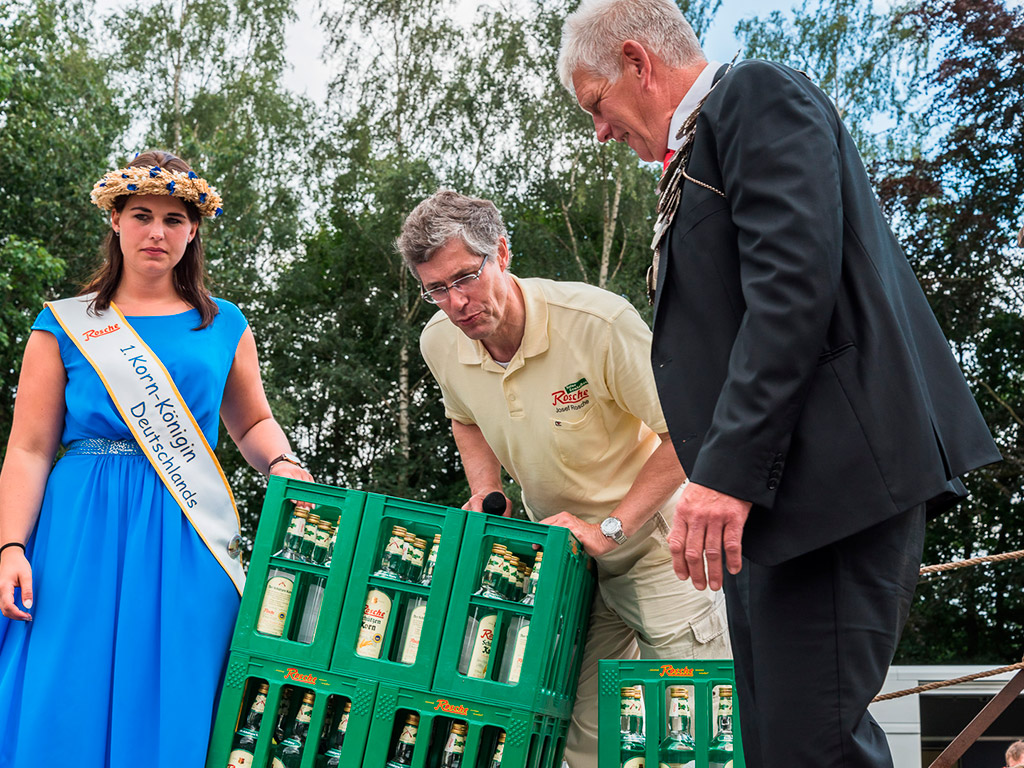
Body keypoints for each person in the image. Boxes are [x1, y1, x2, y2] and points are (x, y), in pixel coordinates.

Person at [558, 1, 1001, 766]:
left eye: (596, 103)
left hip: (833, 490)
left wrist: (725, 473)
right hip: (774, 507)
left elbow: (793, 287)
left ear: (637, 61)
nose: (599, 130)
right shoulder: (698, 152)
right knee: (773, 748)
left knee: (814, 746)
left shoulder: (755, 95)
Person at [0, 150, 312, 767]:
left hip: (186, 522)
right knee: (69, 677)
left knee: (183, 675)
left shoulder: (223, 324)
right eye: (141, 215)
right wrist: (10, 546)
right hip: (80, 523)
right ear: (116, 221)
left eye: (174, 219)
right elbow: (30, 449)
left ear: (193, 230)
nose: (156, 232)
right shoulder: (62, 324)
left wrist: (282, 463)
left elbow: (253, 422)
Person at [397, 189, 730, 767]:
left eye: (466, 277)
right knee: (580, 736)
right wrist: (486, 490)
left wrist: (611, 528)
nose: (457, 303)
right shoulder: (440, 341)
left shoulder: (598, 323)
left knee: (692, 731)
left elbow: (689, 432)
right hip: (566, 555)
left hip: (656, 545)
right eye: (437, 289)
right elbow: (464, 417)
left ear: (502, 252)